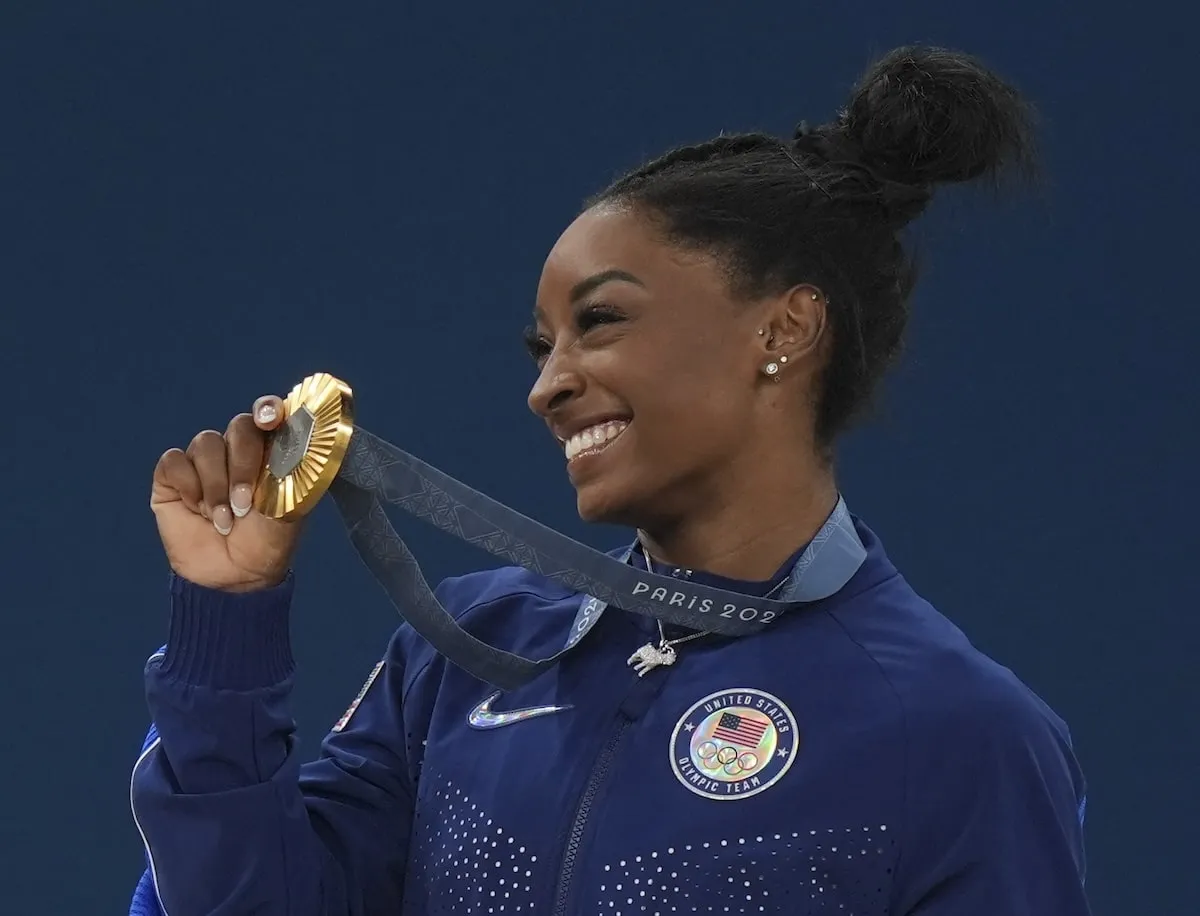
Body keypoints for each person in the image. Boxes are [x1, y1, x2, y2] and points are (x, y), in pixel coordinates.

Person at [129, 45, 1091, 916]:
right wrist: (228, 625)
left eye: (601, 322)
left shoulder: (960, 731)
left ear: (784, 330)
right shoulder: (465, 653)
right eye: (542, 349)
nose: (548, 386)